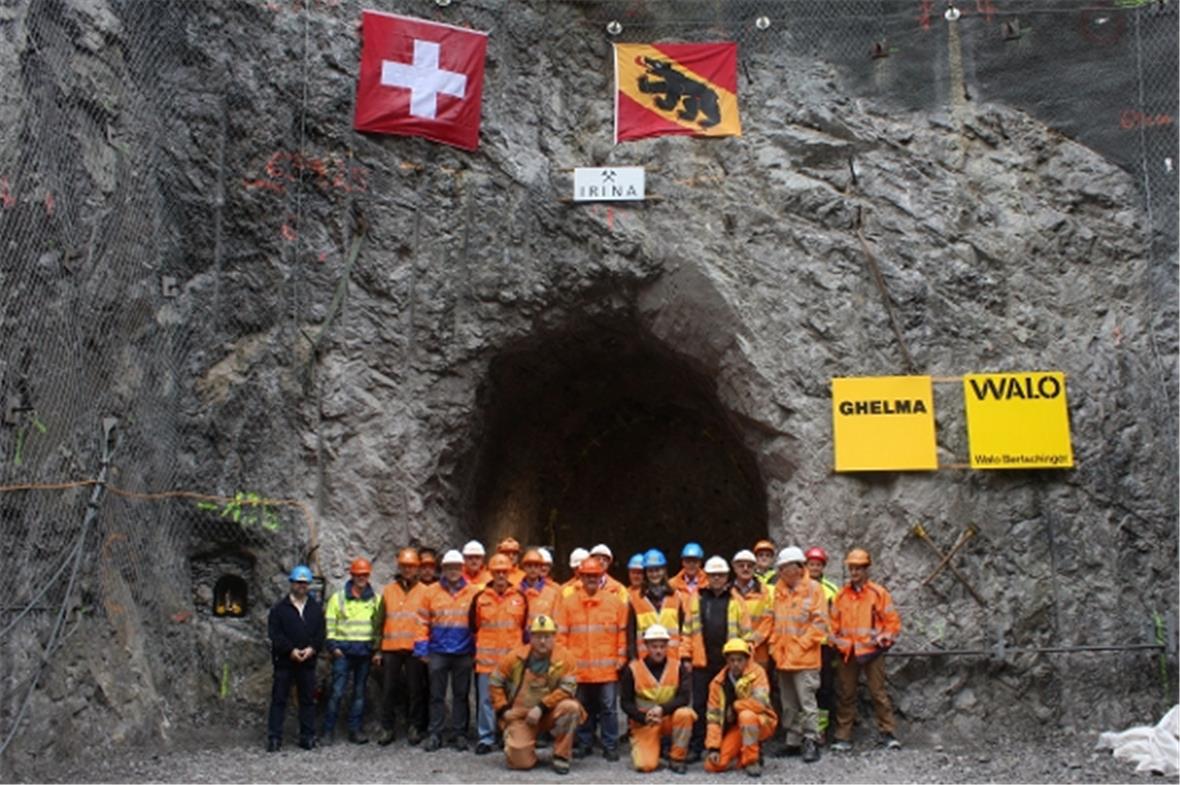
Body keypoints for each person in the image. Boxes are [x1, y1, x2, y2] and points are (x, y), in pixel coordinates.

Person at [489, 615, 586, 774]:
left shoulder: (565, 658)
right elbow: (495, 681)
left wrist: (541, 707)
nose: (543, 641)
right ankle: (519, 743)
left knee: (571, 708)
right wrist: (503, 709)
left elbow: (568, 688)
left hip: (549, 712)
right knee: (520, 763)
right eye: (538, 636)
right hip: (521, 715)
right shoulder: (515, 657)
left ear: (554, 637)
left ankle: (561, 756)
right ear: (531, 637)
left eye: (547, 636)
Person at [555, 555, 628, 762]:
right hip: (579, 670)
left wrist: (621, 658)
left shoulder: (614, 603)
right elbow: (561, 636)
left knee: (609, 709)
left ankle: (610, 745)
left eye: (595, 576)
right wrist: (564, 664)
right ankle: (584, 744)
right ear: (580, 576)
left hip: (607, 669)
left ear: (601, 576)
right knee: (582, 708)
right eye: (587, 576)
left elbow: (622, 633)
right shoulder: (568, 603)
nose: (591, 579)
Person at [829, 547, 902, 752]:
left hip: (872, 651)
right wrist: (837, 642)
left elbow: (892, 622)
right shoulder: (841, 596)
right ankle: (843, 736)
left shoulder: (878, 594)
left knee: (878, 692)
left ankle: (888, 733)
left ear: (866, 569)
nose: (854, 573)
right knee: (846, 694)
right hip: (849, 652)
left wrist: (884, 638)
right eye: (852, 568)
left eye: (858, 569)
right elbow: (832, 624)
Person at [414, 549, 481, 752]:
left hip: (464, 651)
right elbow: (421, 622)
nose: (453, 571)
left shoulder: (474, 592)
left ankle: (459, 733)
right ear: (442, 569)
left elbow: (480, 622)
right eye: (449, 568)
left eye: (456, 568)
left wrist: (477, 649)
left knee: (461, 695)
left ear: (463, 568)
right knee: (436, 695)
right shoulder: (430, 592)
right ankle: (435, 733)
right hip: (438, 651)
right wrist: (422, 649)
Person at [685, 556, 747, 762]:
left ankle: (728, 744)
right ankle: (698, 744)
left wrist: (744, 660)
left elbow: (746, 632)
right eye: (713, 575)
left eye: (720, 575)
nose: (717, 578)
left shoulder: (736, 599)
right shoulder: (697, 598)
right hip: (702, 662)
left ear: (727, 576)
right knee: (700, 705)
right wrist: (686, 655)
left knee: (730, 705)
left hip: (729, 664)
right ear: (707, 576)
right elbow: (687, 630)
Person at [769, 546, 828, 763]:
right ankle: (793, 741)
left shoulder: (814, 589)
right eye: (781, 569)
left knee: (807, 702)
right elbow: (775, 622)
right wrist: (775, 648)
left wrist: (800, 645)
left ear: (797, 567)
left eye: (784, 568)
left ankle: (811, 740)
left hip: (805, 659)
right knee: (789, 704)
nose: (781, 572)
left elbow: (820, 623)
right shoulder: (779, 590)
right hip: (784, 659)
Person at [473, 554, 529, 755]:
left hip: (512, 662)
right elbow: (474, 626)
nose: (500, 575)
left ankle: (510, 736)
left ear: (509, 572)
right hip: (487, 661)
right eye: (497, 572)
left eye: (504, 572)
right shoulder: (480, 598)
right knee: (487, 701)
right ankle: (486, 738)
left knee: (512, 701)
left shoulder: (520, 598)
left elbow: (524, 628)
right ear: (490, 572)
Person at [620, 624, 695, 773]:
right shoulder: (633, 669)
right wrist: (643, 717)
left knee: (686, 714)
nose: (659, 651)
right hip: (645, 723)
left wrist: (662, 709)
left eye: (662, 646)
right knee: (645, 766)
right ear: (646, 646)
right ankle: (654, 749)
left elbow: (684, 698)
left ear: (667, 646)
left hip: (668, 719)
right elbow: (625, 703)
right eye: (654, 647)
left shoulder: (678, 666)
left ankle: (677, 758)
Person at [322, 557, 381, 745]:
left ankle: (355, 730)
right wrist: (333, 647)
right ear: (352, 575)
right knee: (337, 692)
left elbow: (379, 627)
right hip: (343, 652)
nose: (362, 577)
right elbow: (330, 623)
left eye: (365, 574)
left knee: (359, 694)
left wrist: (377, 650)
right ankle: (328, 731)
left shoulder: (375, 600)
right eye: (358, 574)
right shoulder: (338, 598)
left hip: (364, 653)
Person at [266, 565, 325, 752]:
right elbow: (275, 634)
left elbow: (320, 633)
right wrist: (290, 650)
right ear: (291, 583)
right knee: (279, 699)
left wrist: (312, 648)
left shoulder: (315, 609)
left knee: (307, 700)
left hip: (307, 661)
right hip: (284, 661)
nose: (302, 586)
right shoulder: (279, 609)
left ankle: (307, 736)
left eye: (305, 583)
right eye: (298, 583)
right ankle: (274, 737)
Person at [704, 638, 778, 777]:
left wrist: (735, 706)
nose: (736, 664)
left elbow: (760, 703)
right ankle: (740, 756)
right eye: (732, 660)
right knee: (712, 765)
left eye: (739, 660)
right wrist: (713, 748)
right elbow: (713, 718)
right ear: (727, 661)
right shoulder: (717, 683)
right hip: (736, 728)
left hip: (762, 722)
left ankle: (751, 760)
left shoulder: (758, 673)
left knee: (746, 716)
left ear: (747, 659)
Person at [376, 548, 425, 746]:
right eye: (404, 566)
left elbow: (428, 621)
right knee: (388, 690)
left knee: (416, 690)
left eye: (411, 566)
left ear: (417, 568)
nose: (407, 569)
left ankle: (415, 727)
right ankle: (387, 728)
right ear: (399, 566)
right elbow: (379, 620)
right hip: (391, 648)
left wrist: (426, 648)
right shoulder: (388, 590)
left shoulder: (425, 591)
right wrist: (377, 649)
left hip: (415, 649)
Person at [627, 548, 688, 664]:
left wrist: (684, 657)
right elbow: (631, 633)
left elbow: (684, 631)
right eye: (650, 571)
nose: (654, 574)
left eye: (658, 570)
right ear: (645, 573)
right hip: (644, 661)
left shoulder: (676, 597)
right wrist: (633, 658)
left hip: (673, 660)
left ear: (664, 571)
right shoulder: (634, 599)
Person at [804, 546, 839, 742]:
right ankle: (807, 729)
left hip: (824, 645)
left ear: (823, 566)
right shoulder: (799, 588)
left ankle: (821, 729)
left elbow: (836, 617)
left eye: (818, 564)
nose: (815, 568)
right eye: (811, 564)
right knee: (805, 689)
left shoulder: (831, 589)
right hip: (805, 645)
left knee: (824, 688)